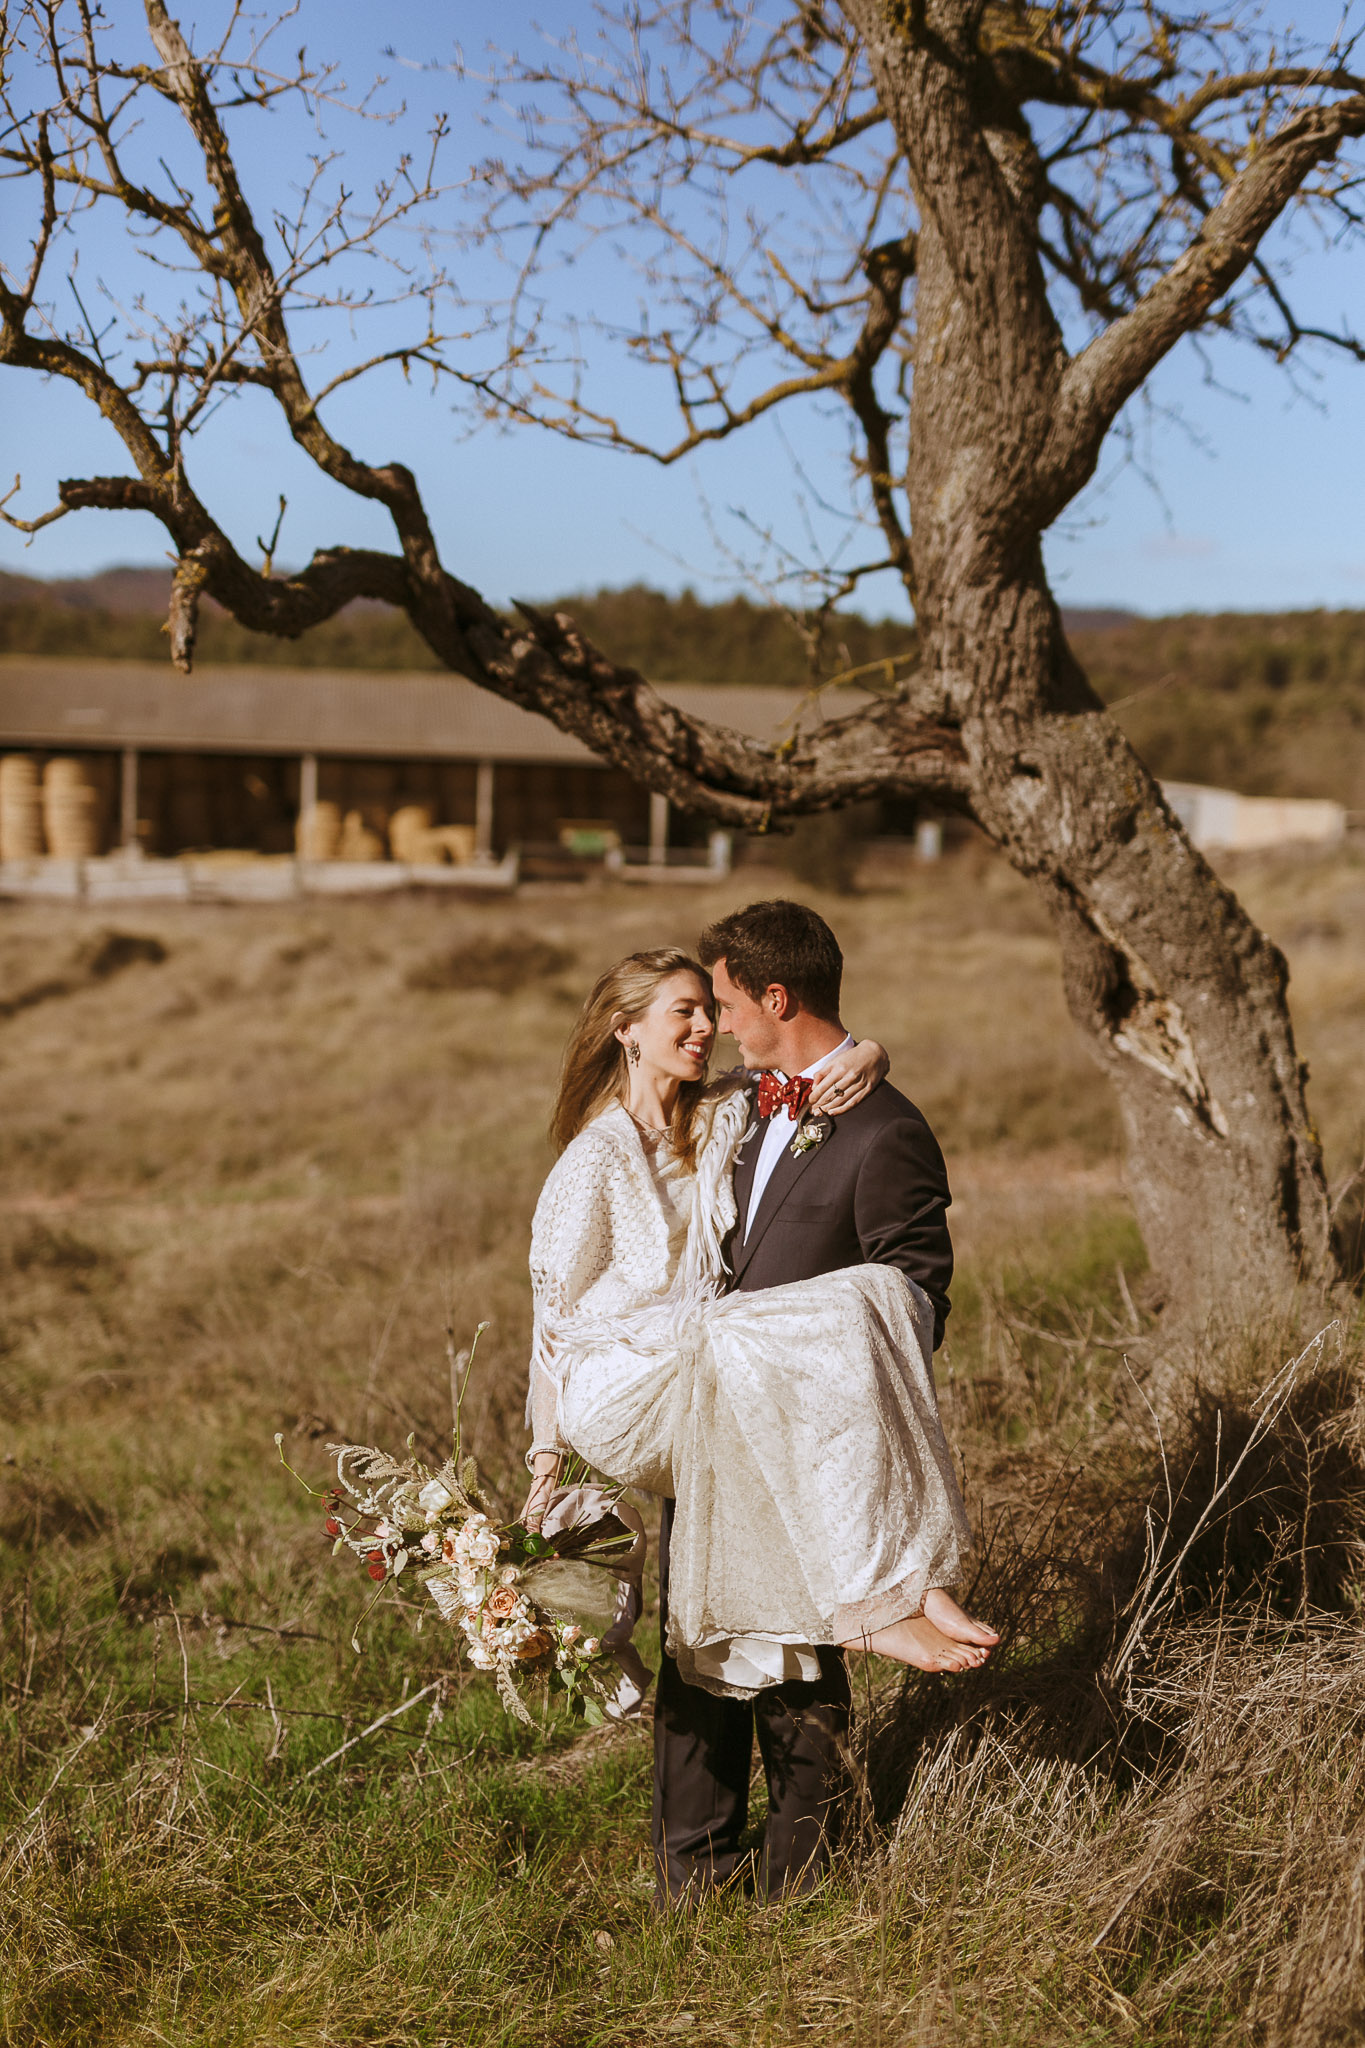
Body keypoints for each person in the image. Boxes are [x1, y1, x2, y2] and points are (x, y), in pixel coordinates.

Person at [522, 904, 995, 1904]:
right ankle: (690, 1874)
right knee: (699, 1658)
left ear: (775, 999)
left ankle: (802, 1880)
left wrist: (868, 1052)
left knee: (786, 1655)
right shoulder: (629, 1145)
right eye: (690, 1010)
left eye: (723, 1004)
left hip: (778, 1429)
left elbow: (915, 1298)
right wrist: (545, 1458)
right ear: (629, 1027)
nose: (715, 1025)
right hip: (675, 1394)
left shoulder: (788, 1116)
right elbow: (552, 1309)